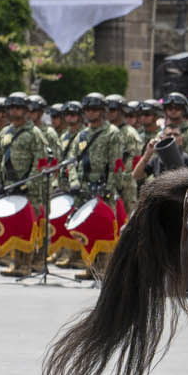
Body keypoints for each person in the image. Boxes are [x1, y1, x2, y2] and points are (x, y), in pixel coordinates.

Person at [66, 92, 127, 280]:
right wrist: (74, 182)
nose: (90, 113)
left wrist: (109, 188)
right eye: (88, 110)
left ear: (102, 111)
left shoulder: (112, 133)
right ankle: (90, 267)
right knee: (88, 229)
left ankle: (106, 270)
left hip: (103, 188)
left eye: (94, 109)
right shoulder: (81, 135)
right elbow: (71, 162)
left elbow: (116, 164)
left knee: (105, 230)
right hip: (83, 188)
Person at [0, 95, 47, 277]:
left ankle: (26, 264)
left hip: (28, 189)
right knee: (13, 226)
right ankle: (15, 262)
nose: (14, 111)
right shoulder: (5, 133)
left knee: (26, 227)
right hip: (9, 187)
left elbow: (40, 164)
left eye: (18, 108)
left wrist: (28, 183)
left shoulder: (35, 134)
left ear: (26, 110)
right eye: (11, 108)